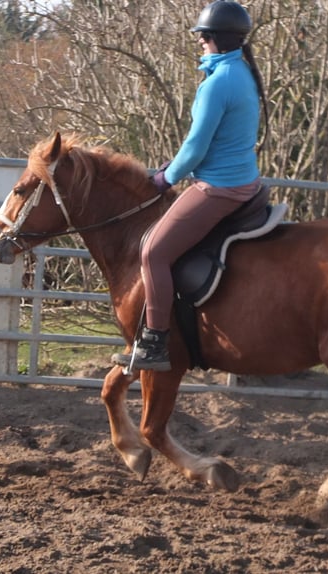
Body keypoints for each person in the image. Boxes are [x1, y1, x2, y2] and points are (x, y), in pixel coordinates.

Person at [116, 1, 269, 372]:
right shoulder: (241, 73)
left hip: (220, 187)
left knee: (152, 251)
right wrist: (178, 166)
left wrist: (164, 178)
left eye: (202, 36)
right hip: (240, 180)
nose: (199, 41)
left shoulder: (218, 83)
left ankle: (154, 341)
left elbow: (196, 146)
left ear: (216, 37)